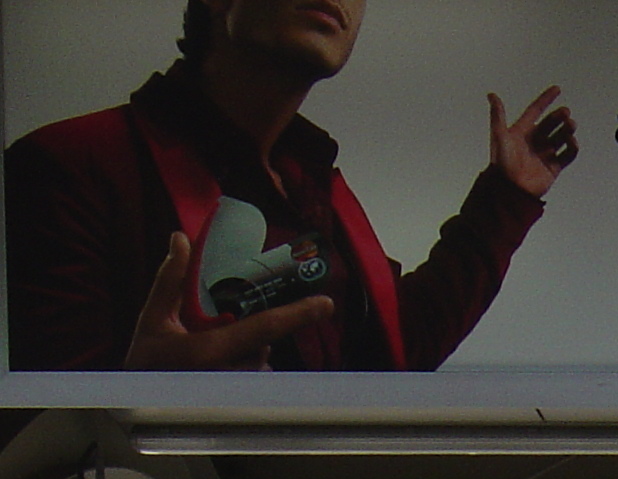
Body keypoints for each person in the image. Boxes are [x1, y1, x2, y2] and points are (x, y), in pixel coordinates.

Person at [5, 0, 577, 373]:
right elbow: (46, 439)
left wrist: (507, 197)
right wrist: (138, 394)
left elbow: (394, 353)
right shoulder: (68, 163)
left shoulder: (314, 186)